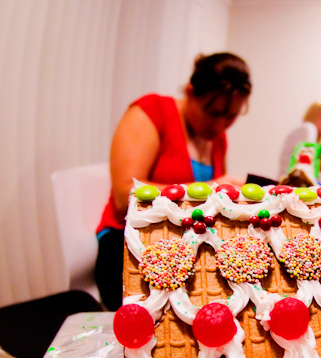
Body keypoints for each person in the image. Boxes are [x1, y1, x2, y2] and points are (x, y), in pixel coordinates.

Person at [94, 52, 252, 310]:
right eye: (212, 112)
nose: (220, 125)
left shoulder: (217, 138)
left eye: (231, 116)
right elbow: (125, 195)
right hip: (127, 247)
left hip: (182, 248)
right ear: (190, 92)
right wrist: (211, 188)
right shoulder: (151, 111)